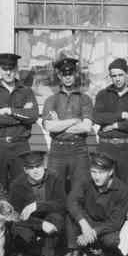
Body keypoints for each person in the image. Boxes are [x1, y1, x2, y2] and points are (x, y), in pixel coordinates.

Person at [0, 53, 39, 189]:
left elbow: (33, 116)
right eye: (4, 69)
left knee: (21, 188)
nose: (8, 72)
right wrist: (21, 116)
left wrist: (10, 111)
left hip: (20, 146)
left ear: (16, 69)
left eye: (11, 69)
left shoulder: (26, 92)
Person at [67, 152, 128, 256]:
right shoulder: (85, 180)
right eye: (93, 172)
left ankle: (101, 249)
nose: (96, 177)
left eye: (101, 172)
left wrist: (93, 232)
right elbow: (71, 201)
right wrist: (84, 224)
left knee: (112, 240)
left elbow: (115, 222)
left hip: (106, 226)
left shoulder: (122, 190)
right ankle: (75, 252)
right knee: (71, 215)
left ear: (111, 172)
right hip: (88, 221)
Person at [42, 57, 93, 190]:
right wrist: (75, 120)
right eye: (64, 74)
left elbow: (86, 127)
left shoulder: (85, 99)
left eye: (70, 73)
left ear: (75, 74)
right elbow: (49, 126)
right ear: (59, 76)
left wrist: (59, 124)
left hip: (79, 148)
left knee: (81, 189)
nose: (68, 77)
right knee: (55, 189)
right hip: (57, 149)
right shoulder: (51, 100)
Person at [9, 150, 66, 256]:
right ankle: (28, 254)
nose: (35, 171)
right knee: (21, 231)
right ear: (25, 170)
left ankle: (48, 255)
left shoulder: (54, 177)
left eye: (38, 166)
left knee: (57, 218)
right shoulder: (17, 185)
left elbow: (62, 204)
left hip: (50, 217)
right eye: (31, 168)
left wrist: (37, 205)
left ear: (44, 165)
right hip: (29, 222)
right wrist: (41, 224)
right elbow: (16, 215)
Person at [93, 58, 128, 182]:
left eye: (120, 75)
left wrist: (116, 125)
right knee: (104, 184)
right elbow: (96, 117)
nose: (117, 79)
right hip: (106, 148)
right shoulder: (103, 95)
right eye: (114, 76)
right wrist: (121, 115)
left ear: (126, 75)